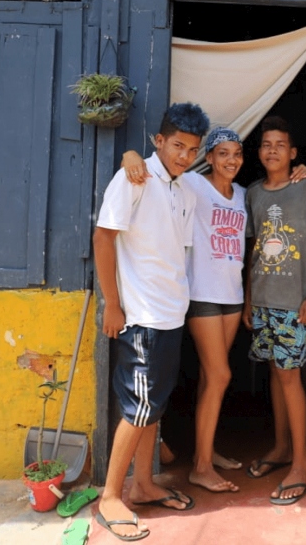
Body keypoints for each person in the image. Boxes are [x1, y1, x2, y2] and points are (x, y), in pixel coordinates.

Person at [121, 127, 306, 494]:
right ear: (209, 157)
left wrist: (302, 171)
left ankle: (206, 453)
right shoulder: (192, 184)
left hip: (232, 296)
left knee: (213, 379)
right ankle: (201, 467)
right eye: (223, 153)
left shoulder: (243, 194)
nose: (231, 160)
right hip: (202, 295)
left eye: (237, 154)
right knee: (220, 374)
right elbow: (159, 171)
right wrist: (131, 157)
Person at [92, 103, 209, 541]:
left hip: (170, 314)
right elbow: (104, 237)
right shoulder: (134, 178)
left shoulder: (186, 189)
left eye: (192, 149)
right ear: (159, 141)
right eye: (177, 145)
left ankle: (142, 485)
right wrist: (112, 303)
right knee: (139, 408)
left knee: (152, 406)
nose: (184, 155)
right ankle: (110, 497)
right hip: (141, 315)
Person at [242, 115, 306, 505]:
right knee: (278, 375)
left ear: (293, 153)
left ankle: (301, 464)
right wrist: (247, 299)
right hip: (262, 300)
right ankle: (279, 448)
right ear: (258, 153)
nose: (272, 149)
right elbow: (252, 249)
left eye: (280, 144)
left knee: (290, 377)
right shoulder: (253, 193)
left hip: (294, 302)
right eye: (266, 144)